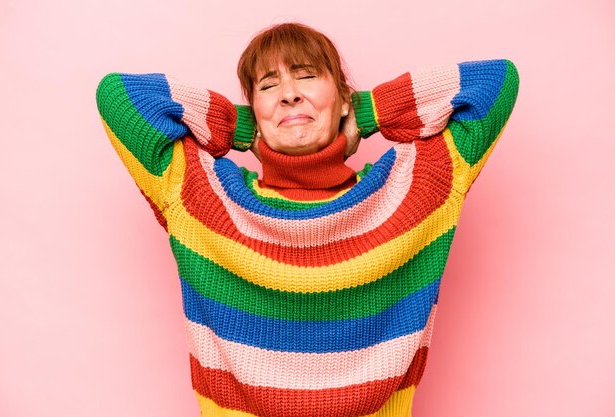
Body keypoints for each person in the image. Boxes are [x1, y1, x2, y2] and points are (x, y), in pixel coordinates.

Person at [96, 22, 519, 417]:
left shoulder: (414, 188)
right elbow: (119, 97)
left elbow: (497, 83)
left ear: (342, 99)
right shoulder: (203, 195)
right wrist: (241, 127)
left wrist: (368, 112)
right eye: (268, 85)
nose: (289, 94)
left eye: (305, 76)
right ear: (256, 108)